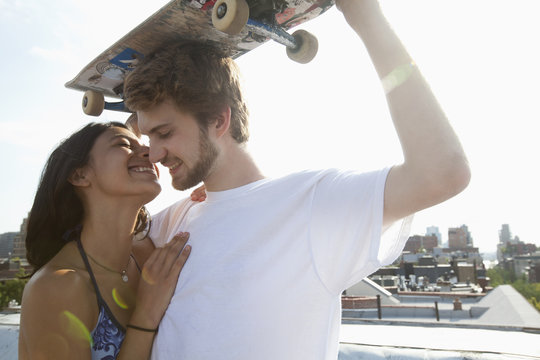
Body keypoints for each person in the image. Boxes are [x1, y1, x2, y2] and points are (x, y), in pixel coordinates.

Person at [123, 0, 471, 359]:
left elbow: (442, 173)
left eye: (164, 133)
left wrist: (365, 17)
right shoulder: (173, 222)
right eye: (148, 138)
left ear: (218, 121)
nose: (153, 153)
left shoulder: (307, 204)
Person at [18, 122, 191, 360]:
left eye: (145, 146)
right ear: (79, 175)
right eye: (123, 144)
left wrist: (205, 199)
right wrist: (146, 313)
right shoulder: (56, 287)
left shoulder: (148, 255)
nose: (149, 154)